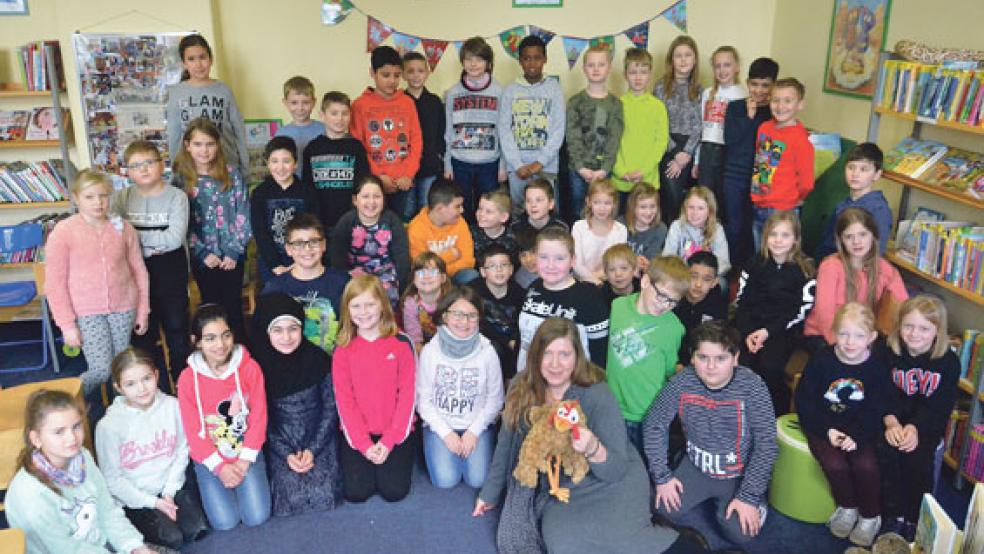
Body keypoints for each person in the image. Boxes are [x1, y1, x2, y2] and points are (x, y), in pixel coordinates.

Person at [474, 317, 691, 554]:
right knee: (563, 545)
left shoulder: (596, 392)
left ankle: (680, 541)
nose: (555, 364)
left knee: (622, 541)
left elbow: (616, 469)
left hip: (608, 480)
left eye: (564, 355)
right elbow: (506, 445)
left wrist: (593, 448)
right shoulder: (521, 386)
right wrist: (489, 494)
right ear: (536, 356)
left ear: (577, 357)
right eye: (547, 354)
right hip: (562, 487)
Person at [645, 320, 777, 547]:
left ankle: (758, 501)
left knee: (742, 533)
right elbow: (654, 424)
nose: (711, 367)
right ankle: (679, 466)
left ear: (735, 358)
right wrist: (662, 477)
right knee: (661, 507)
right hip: (697, 466)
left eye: (721, 358)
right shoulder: (681, 382)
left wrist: (748, 496)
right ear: (692, 358)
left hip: (737, 473)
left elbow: (767, 444)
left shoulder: (752, 386)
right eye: (703, 357)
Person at [6, 390, 158, 554]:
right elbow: (63, 549)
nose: (72, 438)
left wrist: (134, 546)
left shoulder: (82, 457)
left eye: (76, 426)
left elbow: (107, 511)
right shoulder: (31, 494)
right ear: (36, 439)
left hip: (100, 546)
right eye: (59, 432)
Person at [46, 169, 150, 399]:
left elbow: (139, 270)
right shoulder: (64, 232)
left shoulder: (123, 228)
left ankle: (119, 410)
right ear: (76, 198)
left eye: (103, 195)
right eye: (89, 197)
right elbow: (54, 284)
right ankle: (67, 402)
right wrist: (67, 325)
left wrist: (143, 310)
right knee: (102, 369)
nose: (98, 202)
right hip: (87, 313)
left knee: (121, 369)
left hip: (124, 308)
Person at [95, 348, 208, 549]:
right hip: (136, 496)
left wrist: (169, 492)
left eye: (146, 378)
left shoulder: (173, 406)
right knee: (173, 539)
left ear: (156, 375)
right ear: (118, 387)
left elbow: (182, 450)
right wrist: (153, 502)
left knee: (196, 528)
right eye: (130, 384)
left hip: (169, 486)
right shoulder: (108, 426)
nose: (141, 389)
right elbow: (113, 480)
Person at [795, 302, 887, 547]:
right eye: (843, 334)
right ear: (834, 332)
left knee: (865, 465)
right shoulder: (821, 360)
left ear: (871, 337)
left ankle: (870, 516)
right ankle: (847, 507)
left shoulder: (877, 368)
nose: (850, 342)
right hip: (823, 425)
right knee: (834, 464)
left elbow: (876, 409)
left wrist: (856, 435)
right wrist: (828, 430)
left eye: (859, 336)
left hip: (859, 428)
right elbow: (805, 402)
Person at [177, 304, 271, 530]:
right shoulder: (188, 379)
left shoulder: (249, 368)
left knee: (256, 516)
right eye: (210, 338)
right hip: (210, 457)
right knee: (224, 522)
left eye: (225, 335)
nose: (220, 345)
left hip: (244, 451)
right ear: (197, 342)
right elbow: (192, 431)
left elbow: (259, 417)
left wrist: (244, 460)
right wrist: (220, 467)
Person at [252, 293, 342, 517]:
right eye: (277, 330)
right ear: (266, 332)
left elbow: (330, 408)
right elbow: (261, 418)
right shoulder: (257, 368)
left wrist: (313, 449)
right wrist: (286, 453)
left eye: (293, 329)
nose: (286, 337)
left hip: (318, 435)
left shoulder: (318, 359)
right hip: (281, 440)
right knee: (289, 498)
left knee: (323, 494)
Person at [880, 295, 960, 541]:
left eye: (924, 329)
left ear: (937, 331)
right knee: (886, 453)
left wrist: (915, 428)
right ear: (899, 326)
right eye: (908, 326)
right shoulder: (886, 351)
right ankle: (893, 515)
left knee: (917, 459)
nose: (915, 334)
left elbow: (941, 405)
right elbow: (880, 391)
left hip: (925, 425)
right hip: (890, 419)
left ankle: (913, 518)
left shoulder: (949, 362)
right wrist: (891, 421)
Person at [333, 275, 418, 502]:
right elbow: (344, 400)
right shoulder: (343, 348)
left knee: (394, 492)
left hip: (395, 431)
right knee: (357, 493)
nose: (363, 312)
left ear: (382, 304)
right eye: (356, 306)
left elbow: (408, 396)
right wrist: (363, 444)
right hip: (359, 432)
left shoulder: (402, 343)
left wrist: (389, 441)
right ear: (347, 309)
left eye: (370, 304)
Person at [113, 141, 188, 393]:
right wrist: (151, 245)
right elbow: (116, 236)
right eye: (136, 165)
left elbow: (174, 239)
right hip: (134, 273)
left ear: (161, 164)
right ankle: (152, 389)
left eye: (149, 163)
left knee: (177, 330)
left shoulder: (177, 197)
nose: (143, 169)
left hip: (170, 272)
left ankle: (183, 385)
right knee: (143, 334)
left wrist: (135, 240)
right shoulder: (121, 198)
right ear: (127, 171)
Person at [173, 117, 251, 343]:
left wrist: (234, 250)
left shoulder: (232, 175)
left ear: (217, 145)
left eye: (209, 144)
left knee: (233, 309)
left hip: (232, 257)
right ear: (187, 145)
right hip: (204, 258)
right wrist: (201, 252)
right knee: (210, 310)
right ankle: (214, 354)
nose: (204, 150)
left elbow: (244, 213)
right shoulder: (180, 180)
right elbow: (181, 223)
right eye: (198, 144)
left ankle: (241, 355)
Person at [417, 287, 504, 488]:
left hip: (476, 424)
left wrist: (473, 431)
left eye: (471, 316)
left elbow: (495, 399)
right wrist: (446, 434)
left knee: (478, 480)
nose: (464, 322)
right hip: (441, 424)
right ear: (445, 316)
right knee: (445, 481)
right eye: (457, 314)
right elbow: (423, 400)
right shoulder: (430, 352)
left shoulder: (488, 352)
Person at [735, 210, 816, 415]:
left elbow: (799, 311)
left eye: (785, 235)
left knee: (770, 366)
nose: (778, 240)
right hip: (750, 327)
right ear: (765, 237)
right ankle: (740, 412)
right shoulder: (755, 264)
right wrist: (748, 333)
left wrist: (768, 332)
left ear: (795, 239)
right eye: (773, 234)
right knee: (741, 363)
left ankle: (772, 414)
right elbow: (742, 302)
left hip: (782, 330)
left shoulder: (804, 270)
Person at [607, 255, 689, 455]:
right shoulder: (617, 307)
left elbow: (669, 368)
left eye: (673, 302)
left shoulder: (674, 327)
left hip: (649, 414)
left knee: (647, 464)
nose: (664, 305)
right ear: (645, 281)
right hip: (612, 407)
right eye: (661, 295)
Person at [803, 207, 908, 351]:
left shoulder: (884, 269)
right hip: (824, 334)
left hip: (860, 336)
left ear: (873, 236)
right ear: (841, 240)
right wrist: (844, 346)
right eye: (849, 237)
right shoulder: (831, 266)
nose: (856, 242)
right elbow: (824, 315)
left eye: (863, 234)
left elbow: (904, 305)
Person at [516, 227, 610, 372]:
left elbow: (600, 358)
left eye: (559, 258)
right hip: (529, 380)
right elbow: (523, 340)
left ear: (573, 260)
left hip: (572, 383)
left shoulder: (589, 298)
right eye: (543, 257)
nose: (550, 265)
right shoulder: (532, 288)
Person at [350, 45, 423, 221]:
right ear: (372, 73)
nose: (392, 81)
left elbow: (416, 140)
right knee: (374, 225)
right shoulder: (360, 105)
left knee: (400, 226)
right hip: (375, 182)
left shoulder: (407, 103)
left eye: (397, 75)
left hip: (403, 182)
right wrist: (378, 176)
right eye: (385, 75)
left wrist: (408, 174)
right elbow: (358, 145)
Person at [263, 213, 351, 355]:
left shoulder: (344, 282)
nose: (307, 249)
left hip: (336, 362)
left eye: (314, 241)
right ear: (288, 249)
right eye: (298, 244)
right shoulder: (274, 289)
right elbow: (264, 336)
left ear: (324, 245)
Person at [499, 35, 566, 215]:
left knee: (545, 212)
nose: (532, 63)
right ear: (520, 61)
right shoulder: (510, 91)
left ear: (545, 59)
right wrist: (517, 164)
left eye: (537, 58)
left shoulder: (554, 89)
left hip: (546, 167)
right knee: (519, 212)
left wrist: (540, 163)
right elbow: (504, 130)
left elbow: (558, 130)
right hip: (517, 169)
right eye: (527, 58)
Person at [166, 34, 249, 176]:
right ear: (184, 63)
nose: (198, 64)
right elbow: (174, 137)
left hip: (226, 167)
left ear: (211, 59)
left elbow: (239, 131)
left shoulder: (224, 90)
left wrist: (245, 168)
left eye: (202, 57)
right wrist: (176, 172)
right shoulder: (176, 93)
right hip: (191, 171)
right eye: (191, 59)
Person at [722, 57, 779, 266]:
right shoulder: (735, 107)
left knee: (757, 226)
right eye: (755, 84)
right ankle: (734, 271)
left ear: (774, 85)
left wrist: (765, 178)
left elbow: (773, 149)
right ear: (747, 83)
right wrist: (749, 116)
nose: (759, 90)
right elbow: (731, 140)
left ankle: (754, 269)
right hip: (734, 175)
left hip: (762, 176)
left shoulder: (776, 112)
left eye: (765, 85)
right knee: (735, 226)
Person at [443, 36, 506, 216]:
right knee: (461, 210)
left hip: (489, 163)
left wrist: (503, 165)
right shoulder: (453, 93)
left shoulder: (500, 92)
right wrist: (448, 164)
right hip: (459, 162)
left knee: (488, 210)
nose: (473, 64)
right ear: (462, 62)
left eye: (479, 59)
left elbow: (504, 131)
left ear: (488, 62)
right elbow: (448, 131)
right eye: (469, 59)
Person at [750, 77, 814, 246]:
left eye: (787, 101)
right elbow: (762, 164)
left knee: (781, 252)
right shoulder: (764, 128)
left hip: (783, 209)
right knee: (761, 252)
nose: (780, 106)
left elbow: (807, 182)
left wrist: (795, 199)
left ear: (800, 104)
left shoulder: (801, 140)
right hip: (759, 203)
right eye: (776, 100)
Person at [330, 175, 410, 307]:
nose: (371, 202)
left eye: (377, 196)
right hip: (355, 272)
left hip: (385, 272)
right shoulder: (347, 221)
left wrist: (401, 288)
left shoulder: (392, 220)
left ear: (384, 199)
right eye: (365, 196)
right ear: (355, 200)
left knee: (387, 296)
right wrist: (345, 279)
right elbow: (337, 258)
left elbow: (402, 258)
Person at [566, 44, 624, 221]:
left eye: (601, 64)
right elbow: (572, 136)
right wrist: (580, 167)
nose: (596, 69)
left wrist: (605, 169)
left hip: (604, 170)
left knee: (604, 212)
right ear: (584, 69)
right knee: (579, 212)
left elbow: (614, 138)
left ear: (609, 68)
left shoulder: (615, 104)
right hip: (578, 169)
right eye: (591, 65)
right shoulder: (575, 102)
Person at [249, 135, 319, 284]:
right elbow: (260, 232)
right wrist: (275, 265)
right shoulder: (260, 193)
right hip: (271, 261)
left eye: (286, 161)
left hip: (304, 258)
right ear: (267, 163)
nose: (280, 167)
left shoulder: (308, 192)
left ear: (295, 163)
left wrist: (300, 261)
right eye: (275, 161)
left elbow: (314, 228)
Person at [302, 90, 371, 236]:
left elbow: (363, 184)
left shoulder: (356, 147)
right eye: (334, 113)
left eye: (345, 113)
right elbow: (307, 187)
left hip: (351, 220)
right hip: (320, 221)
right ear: (322, 115)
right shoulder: (312, 148)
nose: (340, 118)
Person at [612, 48, 669, 210]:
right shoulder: (617, 105)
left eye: (643, 72)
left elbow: (661, 142)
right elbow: (610, 142)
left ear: (650, 74)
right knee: (621, 223)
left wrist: (643, 171)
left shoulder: (658, 107)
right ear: (625, 75)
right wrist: (620, 171)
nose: (638, 77)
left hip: (647, 181)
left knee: (645, 222)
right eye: (633, 72)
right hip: (620, 181)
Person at [815, 142, 893, 260]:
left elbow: (875, 255)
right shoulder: (843, 205)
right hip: (830, 264)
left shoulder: (878, 210)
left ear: (877, 174)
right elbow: (826, 243)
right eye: (851, 167)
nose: (855, 174)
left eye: (863, 169)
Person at [654, 35, 703, 221]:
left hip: (690, 149)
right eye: (678, 55)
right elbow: (657, 124)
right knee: (670, 195)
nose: (683, 60)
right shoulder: (661, 88)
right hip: (667, 147)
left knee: (688, 199)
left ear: (694, 59)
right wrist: (675, 152)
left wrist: (686, 153)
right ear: (671, 60)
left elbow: (699, 126)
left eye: (688, 55)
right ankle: (670, 232)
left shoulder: (700, 90)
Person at [694, 46, 745, 212]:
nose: (722, 70)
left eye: (727, 65)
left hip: (729, 152)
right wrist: (697, 161)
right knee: (705, 198)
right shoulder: (707, 93)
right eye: (718, 66)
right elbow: (701, 128)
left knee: (724, 199)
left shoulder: (743, 95)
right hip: (707, 151)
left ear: (737, 67)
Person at [467, 244, 525, 381]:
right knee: (494, 349)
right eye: (492, 266)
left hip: (512, 341)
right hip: (483, 340)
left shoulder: (519, 293)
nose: (499, 270)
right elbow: (478, 324)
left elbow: (522, 323)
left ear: (511, 270)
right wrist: (506, 341)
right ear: (483, 272)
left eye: (504, 265)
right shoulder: (473, 291)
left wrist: (515, 341)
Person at [408, 177, 476, 283]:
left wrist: (438, 266)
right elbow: (421, 267)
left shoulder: (460, 222)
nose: (462, 210)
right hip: (429, 280)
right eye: (457, 206)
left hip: (455, 275)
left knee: (471, 275)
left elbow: (468, 261)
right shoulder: (416, 229)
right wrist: (451, 255)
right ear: (439, 208)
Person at [403, 51, 446, 220]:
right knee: (407, 209)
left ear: (427, 72)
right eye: (411, 71)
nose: (416, 75)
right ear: (403, 74)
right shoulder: (399, 101)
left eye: (420, 71)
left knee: (426, 208)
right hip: (405, 168)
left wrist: (439, 156)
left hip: (429, 166)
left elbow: (441, 132)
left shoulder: (435, 102)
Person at [662, 185, 731, 288]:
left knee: (722, 284)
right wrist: (687, 274)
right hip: (682, 275)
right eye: (691, 207)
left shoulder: (717, 229)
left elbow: (724, 263)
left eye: (700, 208)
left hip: (707, 277)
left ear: (709, 211)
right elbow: (667, 257)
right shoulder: (677, 226)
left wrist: (704, 275)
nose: (695, 213)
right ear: (685, 208)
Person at [672, 251, 728, 364]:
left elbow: (712, 344)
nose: (698, 284)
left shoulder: (718, 308)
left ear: (714, 282)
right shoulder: (672, 299)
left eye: (706, 279)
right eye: (693, 276)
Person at [571, 179, 628, 286]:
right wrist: (593, 281)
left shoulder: (620, 230)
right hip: (580, 282)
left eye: (607, 203)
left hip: (609, 282)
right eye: (597, 202)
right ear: (588, 202)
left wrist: (595, 280)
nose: (602, 208)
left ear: (614, 204)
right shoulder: (579, 227)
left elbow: (616, 263)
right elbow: (576, 263)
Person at [400, 252, 453, 352]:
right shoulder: (411, 304)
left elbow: (456, 334)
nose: (426, 277)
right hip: (425, 349)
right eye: (420, 273)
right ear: (413, 279)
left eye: (432, 272)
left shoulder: (452, 301)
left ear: (443, 278)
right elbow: (415, 340)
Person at [275, 76, 326, 172]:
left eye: (305, 102)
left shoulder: (325, 130)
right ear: (285, 103)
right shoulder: (281, 134)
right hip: (292, 181)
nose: (300, 108)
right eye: (294, 103)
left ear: (314, 102)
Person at [619, 182, 667, 274]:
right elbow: (616, 254)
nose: (648, 212)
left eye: (652, 206)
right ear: (632, 207)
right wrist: (633, 261)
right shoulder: (620, 225)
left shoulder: (661, 229)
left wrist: (643, 263)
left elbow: (651, 258)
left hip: (646, 272)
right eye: (643, 207)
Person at [471, 188, 519, 267]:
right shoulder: (470, 233)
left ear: (503, 217)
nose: (481, 214)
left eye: (488, 212)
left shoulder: (512, 239)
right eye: (480, 209)